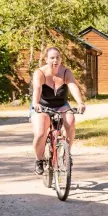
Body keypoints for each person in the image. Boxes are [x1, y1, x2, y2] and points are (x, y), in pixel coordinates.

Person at [31, 46, 86, 175]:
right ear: (46, 59)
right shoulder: (40, 73)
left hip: (61, 105)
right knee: (40, 133)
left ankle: (67, 154)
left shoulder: (66, 72)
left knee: (70, 122)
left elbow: (73, 87)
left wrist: (80, 102)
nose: (55, 60)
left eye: (58, 57)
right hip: (42, 105)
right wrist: (35, 103)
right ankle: (39, 160)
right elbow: (37, 89)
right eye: (52, 58)